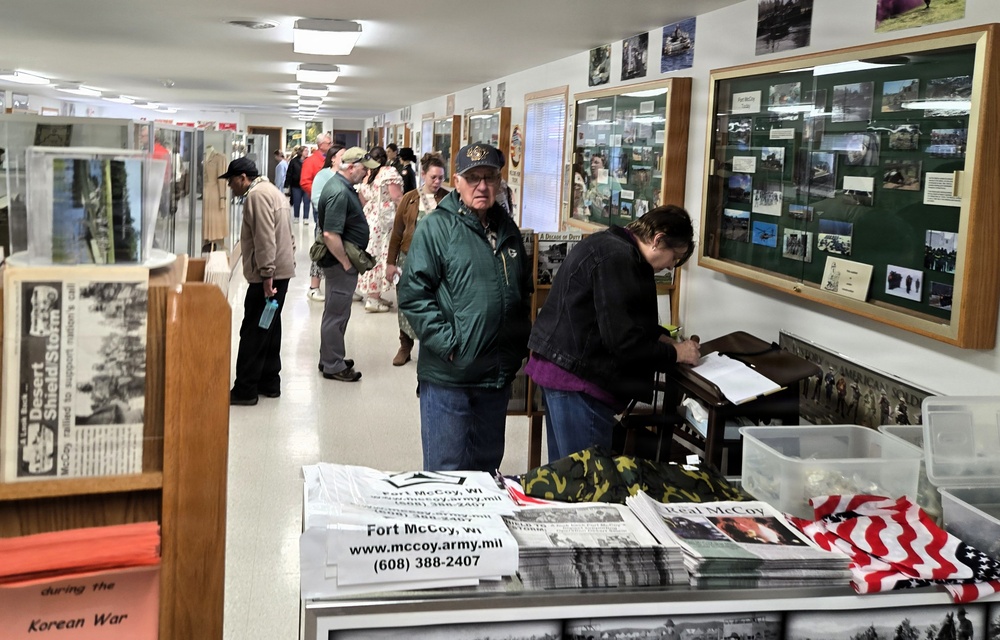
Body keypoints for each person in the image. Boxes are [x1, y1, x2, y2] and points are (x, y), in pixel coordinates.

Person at [526, 205, 700, 461]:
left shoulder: (614, 246)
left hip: (566, 369)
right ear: (658, 240)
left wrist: (659, 336)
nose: (671, 267)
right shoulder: (617, 257)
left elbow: (619, 315)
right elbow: (623, 342)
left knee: (566, 475)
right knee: (587, 483)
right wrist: (675, 352)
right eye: (675, 257)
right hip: (579, 379)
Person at [398, 143, 532, 472]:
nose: (482, 186)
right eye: (473, 178)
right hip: (449, 376)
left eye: (489, 177)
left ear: (499, 182)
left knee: (486, 471)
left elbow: (522, 292)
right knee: (446, 471)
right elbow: (412, 293)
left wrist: (515, 348)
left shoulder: (508, 231)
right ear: (456, 182)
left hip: (495, 376)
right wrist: (449, 344)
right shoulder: (436, 227)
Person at [223, 157, 296, 405]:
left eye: (232, 181)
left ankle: (245, 389)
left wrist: (267, 274)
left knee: (253, 330)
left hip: (269, 275)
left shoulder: (256, 196)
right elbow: (288, 235)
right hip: (282, 271)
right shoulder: (273, 191)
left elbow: (265, 238)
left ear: (243, 177)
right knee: (269, 328)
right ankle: (269, 382)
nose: (231, 187)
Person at [316, 147, 380, 382]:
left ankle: (329, 357)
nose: (366, 174)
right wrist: (345, 263)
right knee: (337, 314)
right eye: (363, 169)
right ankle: (334, 364)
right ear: (351, 167)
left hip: (339, 261)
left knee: (335, 312)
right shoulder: (339, 192)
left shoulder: (343, 187)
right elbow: (331, 234)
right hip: (338, 262)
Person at [385, 152, 448, 366]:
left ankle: (432, 346)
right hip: (408, 259)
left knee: (435, 304)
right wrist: (390, 263)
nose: (437, 181)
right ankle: (405, 345)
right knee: (406, 303)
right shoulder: (410, 199)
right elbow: (397, 232)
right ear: (423, 174)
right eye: (433, 177)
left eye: (441, 177)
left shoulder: (448, 199)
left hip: (437, 263)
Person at [355, 146, 404, 313]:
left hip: (370, 219)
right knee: (382, 255)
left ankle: (373, 293)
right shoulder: (388, 172)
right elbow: (397, 197)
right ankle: (373, 298)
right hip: (385, 221)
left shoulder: (368, 175)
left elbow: (362, 199)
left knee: (371, 254)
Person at [305, 144, 346, 302]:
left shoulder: (346, 174)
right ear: (333, 158)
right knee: (321, 251)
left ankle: (340, 288)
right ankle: (314, 287)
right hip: (327, 219)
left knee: (342, 252)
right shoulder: (323, 175)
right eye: (342, 155)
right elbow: (316, 198)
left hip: (344, 222)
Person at [300, 131, 333, 221]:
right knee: (320, 227)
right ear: (321, 145)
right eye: (329, 143)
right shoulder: (310, 161)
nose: (331, 145)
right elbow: (305, 182)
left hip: (333, 199)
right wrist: (318, 194)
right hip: (320, 200)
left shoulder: (332, 159)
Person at [286, 146, 310, 223]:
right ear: (301, 152)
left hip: (307, 184)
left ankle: (305, 218)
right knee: (296, 202)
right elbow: (289, 173)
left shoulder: (309, 161)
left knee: (307, 202)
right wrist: (286, 185)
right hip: (296, 185)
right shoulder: (293, 161)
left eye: (307, 151)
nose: (307, 152)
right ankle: (296, 216)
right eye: (305, 150)